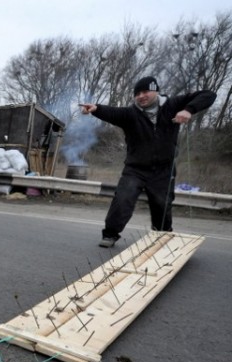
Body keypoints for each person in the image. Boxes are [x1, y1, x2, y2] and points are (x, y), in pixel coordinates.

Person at [80, 76, 216, 247]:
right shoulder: (130, 114)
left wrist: (189, 110)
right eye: (137, 94)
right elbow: (112, 112)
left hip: (164, 170)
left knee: (162, 204)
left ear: (155, 91)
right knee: (123, 198)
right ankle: (110, 234)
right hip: (135, 169)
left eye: (145, 92)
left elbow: (209, 94)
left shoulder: (172, 105)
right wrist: (96, 109)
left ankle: (161, 235)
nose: (141, 96)